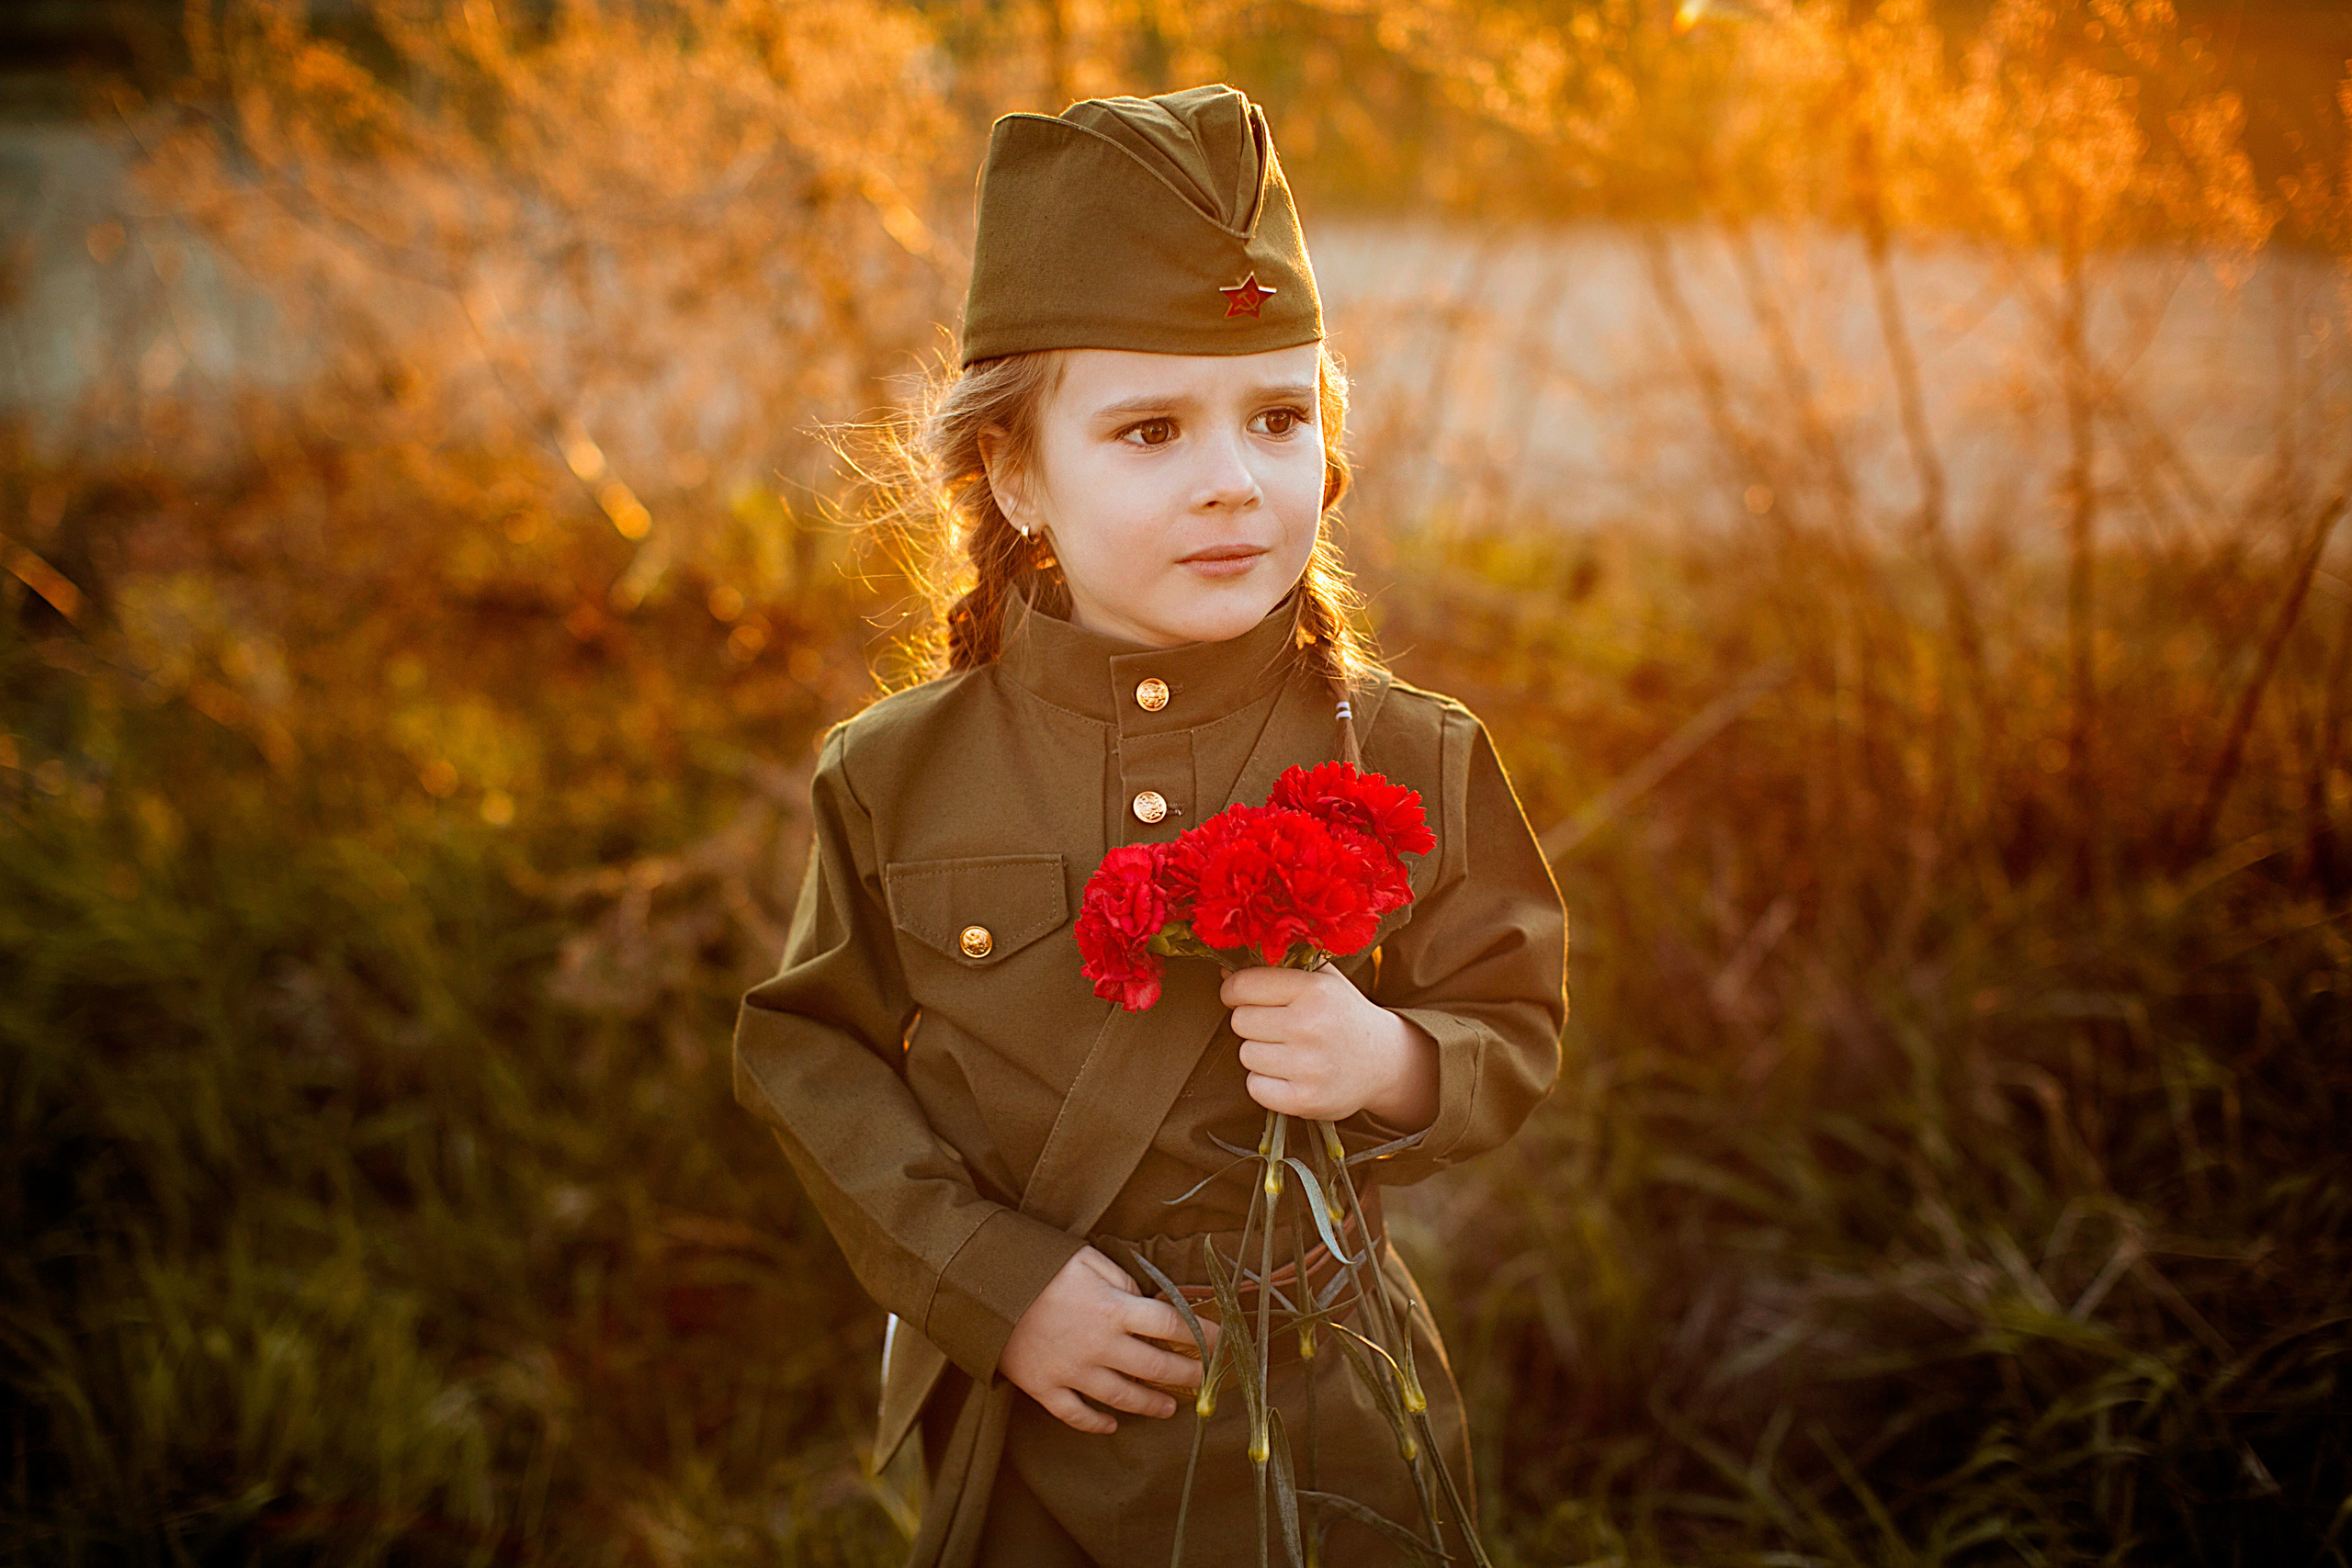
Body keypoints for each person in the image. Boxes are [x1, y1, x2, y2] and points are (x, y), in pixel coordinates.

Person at [730, 84, 1567, 1567]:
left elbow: (1513, 1012)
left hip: (1333, 1432)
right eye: (1149, 429)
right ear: (1015, 474)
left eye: (1276, 415)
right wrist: (990, 1284)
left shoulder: (1416, 755)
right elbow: (811, 1052)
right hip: (1041, 1441)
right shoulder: (897, 773)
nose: (1233, 479)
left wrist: (1393, 1060)